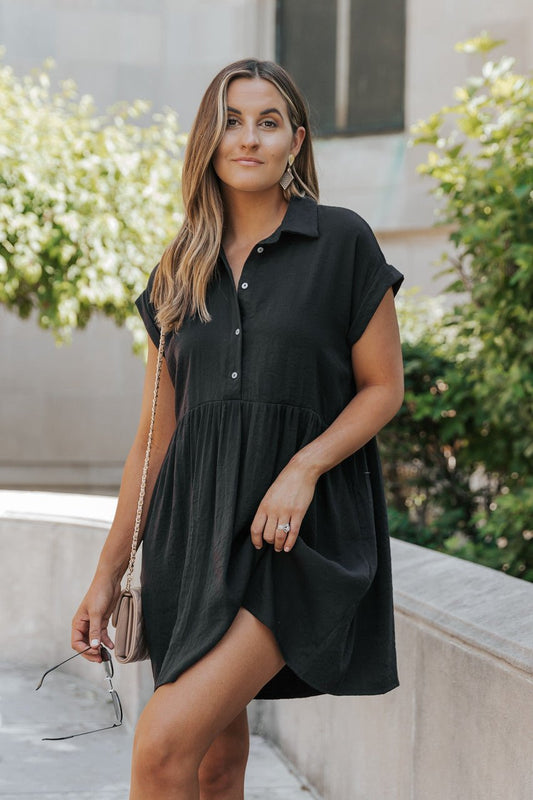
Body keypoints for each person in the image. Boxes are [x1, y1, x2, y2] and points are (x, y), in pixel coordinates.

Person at [72, 58, 405, 799]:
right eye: (230, 120)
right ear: (207, 139)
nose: (247, 138)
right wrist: (105, 577)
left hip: (292, 539)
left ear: (296, 140)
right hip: (189, 536)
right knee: (214, 763)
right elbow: (152, 442)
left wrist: (303, 467)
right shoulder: (177, 270)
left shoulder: (341, 242)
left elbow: (383, 390)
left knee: (160, 748)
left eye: (267, 121)